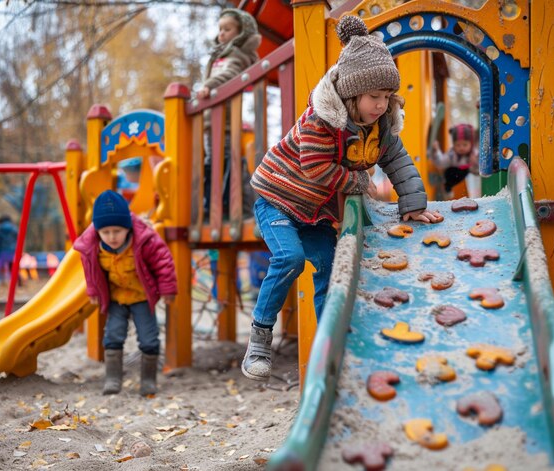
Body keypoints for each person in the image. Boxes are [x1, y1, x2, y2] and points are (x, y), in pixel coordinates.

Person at [241, 15, 438, 381]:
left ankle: (328, 345)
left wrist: (412, 204)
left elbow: (397, 160)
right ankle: (259, 336)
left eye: (386, 98)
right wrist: (360, 181)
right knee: (290, 257)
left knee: (333, 269)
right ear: (351, 94)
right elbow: (315, 168)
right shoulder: (321, 120)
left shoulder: (379, 126)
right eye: (373, 98)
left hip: (315, 213)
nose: (380, 105)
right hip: (278, 200)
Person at [74, 190, 177, 396]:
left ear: (127, 228)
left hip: (140, 296)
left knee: (149, 338)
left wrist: (167, 289)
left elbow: (163, 262)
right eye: (106, 232)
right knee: (113, 335)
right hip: (116, 298)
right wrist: (93, 289)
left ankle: (148, 379)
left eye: (117, 231)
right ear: (98, 231)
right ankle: (113, 378)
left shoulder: (144, 241)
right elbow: (90, 269)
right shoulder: (92, 245)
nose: (112, 237)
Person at [197, 8, 260, 218]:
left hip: (223, 121)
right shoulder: (219, 55)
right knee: (211, 162)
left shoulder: (236, 54)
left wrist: (208, 85)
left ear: (241, 32)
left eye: (227, 29)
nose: (221, 33)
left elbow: (231, 74)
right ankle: (213, 204)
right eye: (220, 29)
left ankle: (220, 205)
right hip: (210, 121)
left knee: (222, 160)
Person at [430, 123, 479, 198]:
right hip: (452, 175)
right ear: (453, 145)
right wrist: (436, 151)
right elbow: (440, 162)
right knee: (452, 172)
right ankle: (447, 187)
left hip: (468, 177)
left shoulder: (474, 154)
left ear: (471, 144)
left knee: (468, 170)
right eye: (458, 145)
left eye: (465, 145)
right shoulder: (452, 155)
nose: (461, 148)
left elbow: (479, 171)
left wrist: (475, 162)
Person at [0, 215, 18, 285]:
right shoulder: (14, 229)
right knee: (12, 267)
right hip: (13, 250)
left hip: (2, 251)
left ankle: (0, 281)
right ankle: (14, 281)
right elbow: (18, 240)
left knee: (0, 267)